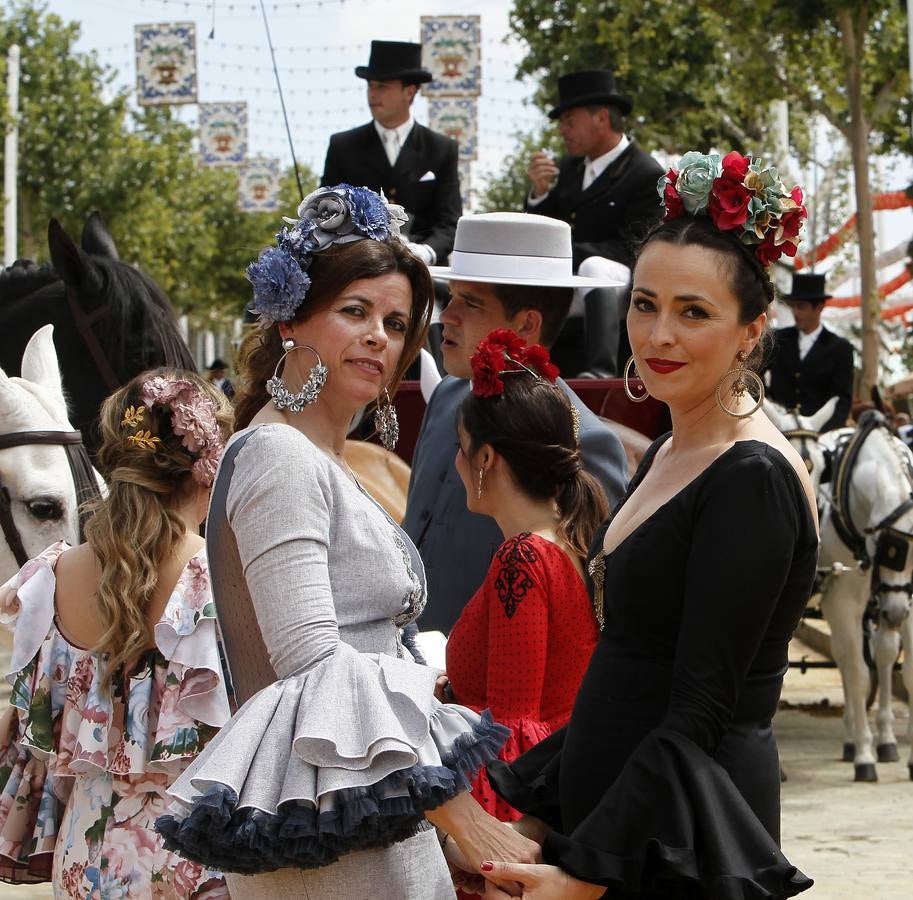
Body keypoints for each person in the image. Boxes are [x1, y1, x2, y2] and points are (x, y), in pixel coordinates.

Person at [154, 185, 539, 898]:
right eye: (354, 311)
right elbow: (316, 666)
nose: (379, 338)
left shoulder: (314, 456)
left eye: (396, 323)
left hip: (368, 814)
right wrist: (464, 821)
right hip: (334, 843)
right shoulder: (279, 456)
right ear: (291, 321)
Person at [473, 151, 819, 899]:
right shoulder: (671, 446)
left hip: (682, 845)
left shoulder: (750, 477)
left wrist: (584, 876)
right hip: (619, 826)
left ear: (750, 331)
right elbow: (628, 670)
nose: (657, 333)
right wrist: (540, 816)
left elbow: (697, 711)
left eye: (692, 312)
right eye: (643, 302)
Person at [0, 369, 234, 896]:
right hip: (195, 858)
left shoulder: (52, 578)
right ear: (207, 467)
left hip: (85, 855)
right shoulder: (218, 576)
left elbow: (34, 738)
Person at [403, 212, 628, 636]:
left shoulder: (583, 440)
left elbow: (584, 615)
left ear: (526, 325)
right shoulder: (448, 398)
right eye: (451, 297)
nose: (446, 315)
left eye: (471, 302)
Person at [443, 330, 607, 831]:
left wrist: (490, 848)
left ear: (485, 459)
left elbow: (514, 735)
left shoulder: (523, 556)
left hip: (522, 817)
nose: (456, 462)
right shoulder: (568, 542)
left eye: (461, 448)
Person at [526, 69, 664, 376]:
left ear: (601, 117)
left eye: (569, 121)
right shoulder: (571, 169)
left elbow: (635, 248)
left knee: (595, 269)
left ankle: (601, 369)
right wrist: (539, 193)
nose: (562, 130)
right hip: (572, 282)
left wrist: (573, 255)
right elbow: (549, 229)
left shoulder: (645, 172)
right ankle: (523, 366)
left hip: (622, 281)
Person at [321, 40, 461, 267]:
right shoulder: (343, 146)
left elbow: (449, 222)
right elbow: (326, 213)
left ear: (409, 91)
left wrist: (425, 252)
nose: (373, 94)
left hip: (424, 274)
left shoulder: (442, 148)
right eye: (370, 86)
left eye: (382, 86)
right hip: (358, 268)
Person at [766, 272, 854, 433]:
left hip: (819, 435)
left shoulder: (841, 348)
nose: (795, 313)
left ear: (819, 307)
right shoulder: (777, 339)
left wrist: (821, 435)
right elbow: (756, 378)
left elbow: (841, 400)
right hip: (778, 430)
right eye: (793, 306)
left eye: (801, 307)